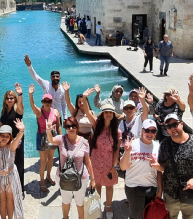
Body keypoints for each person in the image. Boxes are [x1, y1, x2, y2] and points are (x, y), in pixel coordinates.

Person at [148, 113, 193, 219]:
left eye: (175, 124)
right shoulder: (165, 144)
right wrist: (158, 167)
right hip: (171, 194)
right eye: (168, 126)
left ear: (181, 124)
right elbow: (162, 167)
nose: (172, 128)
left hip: (192, 193)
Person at [46, 116, 95, 219]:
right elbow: (50, 139)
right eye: (68, 126)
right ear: (65, 128)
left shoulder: (84, 142)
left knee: (79, 202)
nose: (71, 128)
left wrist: (93, 179)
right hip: (63, 177)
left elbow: (88, 161)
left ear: (77, 127)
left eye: (73, 126)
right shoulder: (61, 139)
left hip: (81, 178)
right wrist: (48, 129)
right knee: (66, 200)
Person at [82, 90, 121, 219]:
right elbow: (87, 112)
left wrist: (114, 167)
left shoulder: (117, 131)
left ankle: (108, 206)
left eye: (111, 112)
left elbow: (116, 151)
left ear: (113, 115)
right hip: (96, 160)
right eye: (106, 112)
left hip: (110, 162)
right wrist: (84, 97)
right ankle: (97, 205)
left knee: (109, 185)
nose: (108, 114)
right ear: (103, 114)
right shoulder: (97, 125)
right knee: (97, 183)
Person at [120, 120, 162, 219]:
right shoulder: (132, 144)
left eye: (153, 131)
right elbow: (123, 167)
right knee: (136, 216)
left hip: (151, 186)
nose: (150, 133)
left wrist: (160, 189)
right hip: (133, 187)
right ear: (142, 131)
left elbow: (160, 171)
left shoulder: (158, 147)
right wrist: (127, 152)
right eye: (147, 130)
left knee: (150, 215)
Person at [0, 122, 25, 219]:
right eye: (2, 135)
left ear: (10, 137)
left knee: (10, 200)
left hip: (11, 177)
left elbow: (18, 138)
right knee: (2, 201)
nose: (4, 138)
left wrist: (21, 130)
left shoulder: (11, 146)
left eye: (7, 136)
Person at [29, 84, 62, 192]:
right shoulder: (39, 112)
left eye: (49, 101)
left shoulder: (55, 112)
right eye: (45, 101)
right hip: (42, 137)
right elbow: (32, 105)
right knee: (43, 161)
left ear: (51, 102)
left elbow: (59, 126)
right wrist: (30, 94)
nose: (47, 103)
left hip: (52, 137)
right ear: (42, 102)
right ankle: (42, 180)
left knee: (51, 158)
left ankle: (48, 176)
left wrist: (61, 138)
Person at [0, 83, 25, 194]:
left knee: (18, 163)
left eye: (12, 98)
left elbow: (21, 106)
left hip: (17, 139)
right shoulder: (4, 111)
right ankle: (10, 183)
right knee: (7, 161)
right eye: (7, 98)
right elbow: (1, 123)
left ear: (15, 99)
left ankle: (20, 189)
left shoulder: (17, 110)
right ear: (5, 100)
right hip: (6, 139)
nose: (9, 100)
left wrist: (20, 94)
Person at [24, 54, 67, 120]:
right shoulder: (46, 84)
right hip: (45, 115)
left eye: (57, 76)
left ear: (60, 78)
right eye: (53, 76)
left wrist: (65, 118)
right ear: (51, 78)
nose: (55, 78)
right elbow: (36, 77)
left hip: (57, 116)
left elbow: (64, 104)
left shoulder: (63, 89)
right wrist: (29, 66)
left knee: (58, 130)